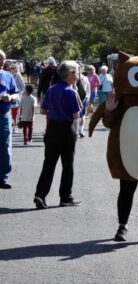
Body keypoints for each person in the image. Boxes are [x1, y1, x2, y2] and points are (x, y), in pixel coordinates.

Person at [33, 60, 82, 209]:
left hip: (52, 128)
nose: (78, 75)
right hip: (66, 130)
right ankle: (65, 197)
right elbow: (76, 115)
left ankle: (40, 195)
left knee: (49, 164)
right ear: (70, 73)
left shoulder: (52, 88)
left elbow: (42, 110)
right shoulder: (70, 91)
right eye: (77, 72)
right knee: (68, 165)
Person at [0, 49, 20, 189]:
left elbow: (17, 94)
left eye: (4, 59)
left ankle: (3, 177)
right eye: (0, 59)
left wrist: (11, 97)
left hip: (4, 114)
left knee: (5, 145)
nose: (3, 62)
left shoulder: (8, 76)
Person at [10, 64, 25, 132]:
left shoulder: (18, 75)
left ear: (16, 68)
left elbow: (23, 85)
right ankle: (13, 126)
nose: (11, 69)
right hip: (12, 95)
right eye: (11, 68)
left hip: (17, 96)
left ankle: (15, 127)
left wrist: (20, 93)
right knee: (13, 111)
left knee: (16, 111)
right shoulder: (11, 75)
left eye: (13, 68)